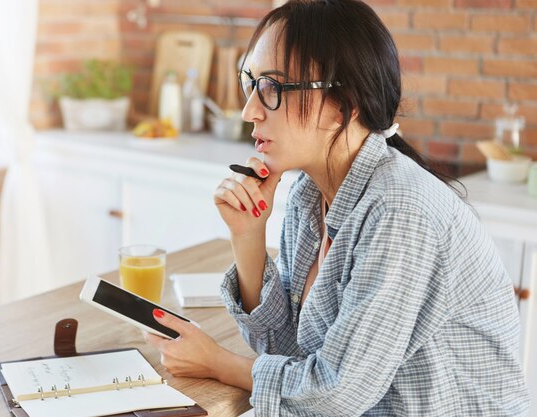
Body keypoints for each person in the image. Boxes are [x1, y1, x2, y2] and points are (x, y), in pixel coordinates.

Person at [143, 0, 530, 415]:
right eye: (250, 82)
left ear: (341, 105)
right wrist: (248, 234)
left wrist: (220, 363)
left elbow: (334, 394)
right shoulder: (308, 196)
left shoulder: (400, 210)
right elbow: (288, 352)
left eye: (272, 88)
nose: (249, 110)